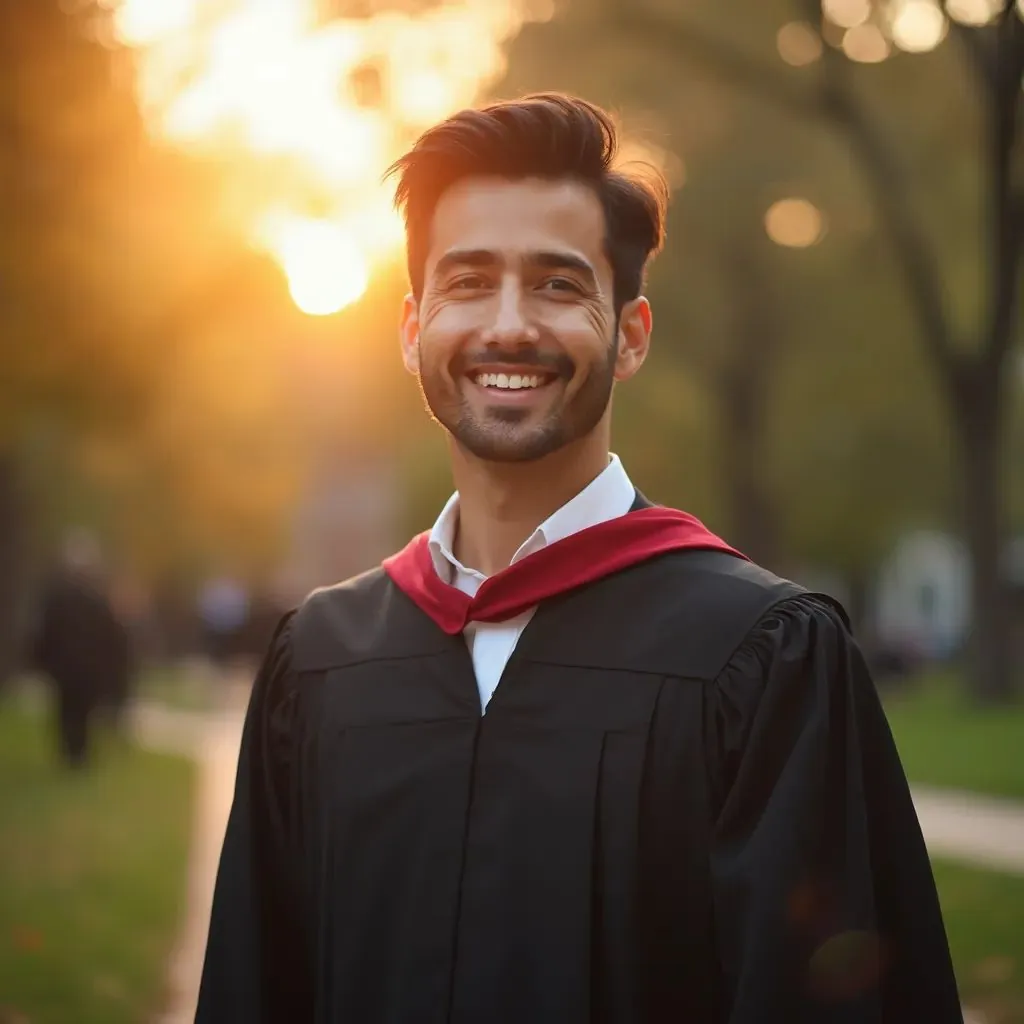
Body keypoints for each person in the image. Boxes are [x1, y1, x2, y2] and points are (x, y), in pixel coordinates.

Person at [196, 94, 962, 1022]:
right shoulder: (322, 661)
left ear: (629, 334)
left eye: (558, 285)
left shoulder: (761, 660)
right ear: (412, 329)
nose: (508, 326)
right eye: (468, 282)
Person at [31, 532, 132, 767]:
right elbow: (111, 636)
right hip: (83, 667)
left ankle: (72, 752)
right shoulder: (92, 598)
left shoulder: (60, 597)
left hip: (67, 666)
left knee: (69, 708)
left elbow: (45, 631)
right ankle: (77, 753)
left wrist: (41, 659)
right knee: (79, 709)